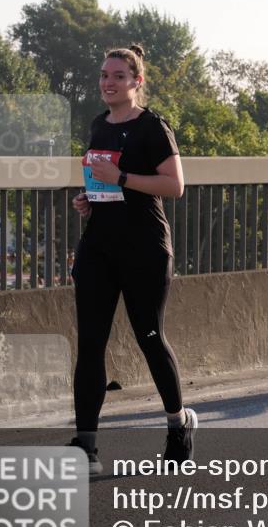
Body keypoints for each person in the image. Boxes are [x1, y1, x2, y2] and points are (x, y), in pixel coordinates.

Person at [69, 44, 196, 474]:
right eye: (104, 75)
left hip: (144, 246)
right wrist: (90, 197)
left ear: (136, 82)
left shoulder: (152, 127)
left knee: (149, 336)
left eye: (118, 75)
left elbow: (174, 186)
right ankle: (86, 448)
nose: (108, 82)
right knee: (90, 344)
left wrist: (120, 178)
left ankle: (178, 425)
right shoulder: (98, 125)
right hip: (99, 245)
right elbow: (104, 181)